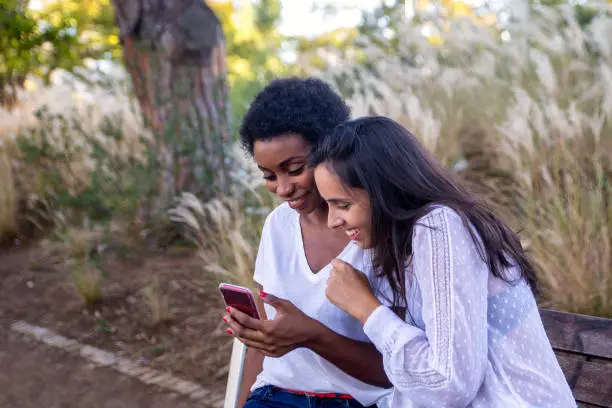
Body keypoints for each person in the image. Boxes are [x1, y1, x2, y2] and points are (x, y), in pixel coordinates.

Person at [310, 116, 576, 408]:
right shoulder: (396, 244)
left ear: (385, 189)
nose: (333, 221)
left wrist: (366, 309)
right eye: (328, 205)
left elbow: (449, 384)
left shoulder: (439, 227)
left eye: (343, 205)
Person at [222, 79, 392, 408]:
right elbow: (263, 347)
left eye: (294, 169)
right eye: (269, 175)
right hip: (275, 395)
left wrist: (312, 335)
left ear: (332, 148)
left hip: (356, 400)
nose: (282, 189)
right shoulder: (279, 225)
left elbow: (395, 368)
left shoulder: (377, 230)